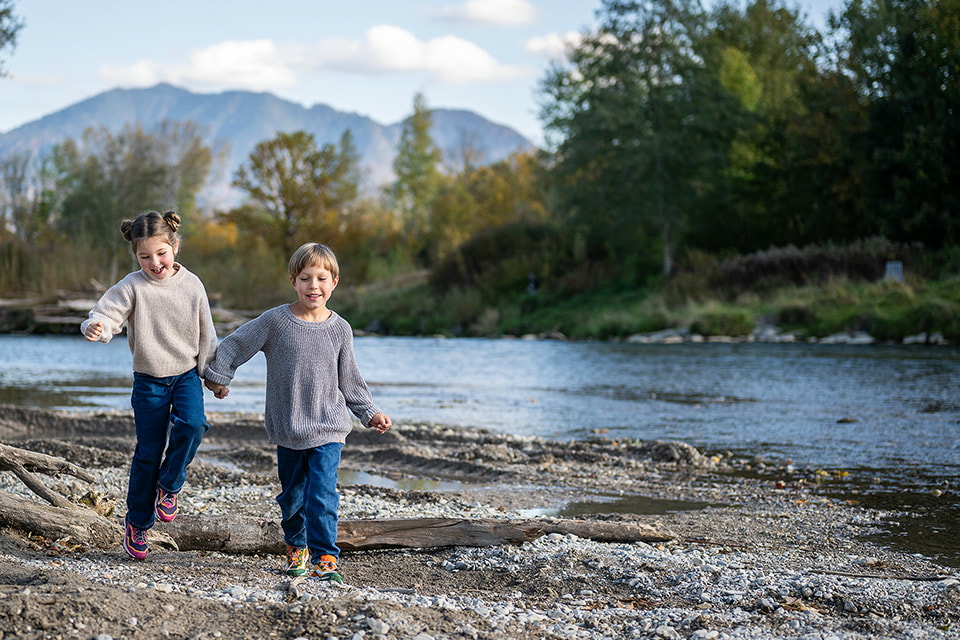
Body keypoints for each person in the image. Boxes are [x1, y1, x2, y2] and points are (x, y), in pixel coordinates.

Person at [203, 242, 391, 584]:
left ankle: (325, 558)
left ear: (334, 282)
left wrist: (370, 412)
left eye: (322, 278)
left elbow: (350, 379)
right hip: (288, 428)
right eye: (306, 278)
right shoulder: (276, 321)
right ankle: (296, 546)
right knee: (292, 498)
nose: (313, 286)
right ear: (294, 281)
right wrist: (218, 376)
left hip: (329, 428)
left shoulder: (340, 328)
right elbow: (235, 344)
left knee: (322, 494)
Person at [81, 210, 218, 562]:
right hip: (148, 381)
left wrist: (215, 377)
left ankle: (170, 485)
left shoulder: (192, 285)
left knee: (194, 424)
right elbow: (106, 312)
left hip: (186, 375)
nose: (154, 262)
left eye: (161, 253)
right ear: (136, 255)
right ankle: (138, 523)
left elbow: (207, 335)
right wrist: (96, 327)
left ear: (174, 246)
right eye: (145, 256)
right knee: (147, 452)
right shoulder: (132, 286)